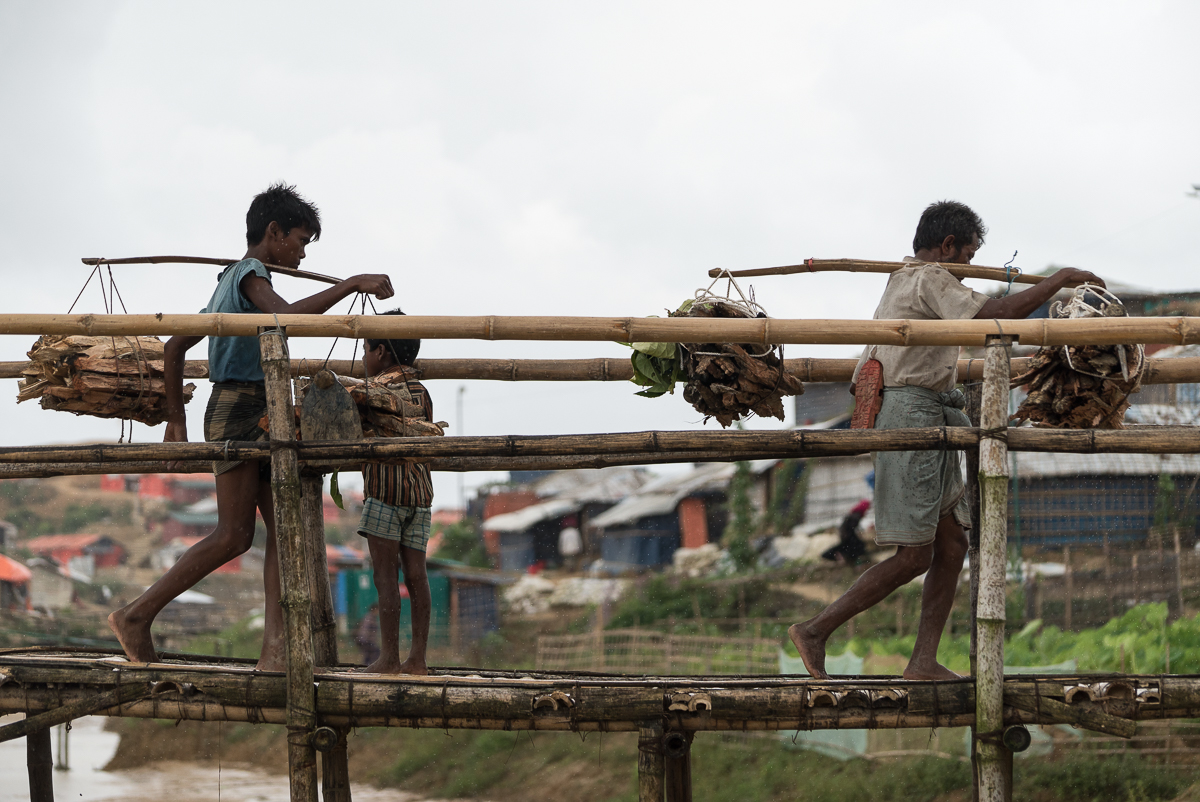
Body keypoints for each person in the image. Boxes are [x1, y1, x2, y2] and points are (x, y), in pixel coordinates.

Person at [789, 200, 1103, 680]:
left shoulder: (904, 278)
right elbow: (996, 315)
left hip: (924, 409)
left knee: (952, 544)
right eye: (970, 256)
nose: (970, 268)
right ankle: (815, 630)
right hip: (909, 413)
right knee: (915, 555)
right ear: (949, 245)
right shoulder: (930, 277)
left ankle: (921, 662)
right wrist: (1059, 278)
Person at [108, 183, 395, 668]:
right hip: (239, 410)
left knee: (284, 534)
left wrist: (178, 420)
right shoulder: (247, 274)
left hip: (264, 410)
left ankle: (274, 654)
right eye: (300, 240)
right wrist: (349, 284)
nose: (302, 253)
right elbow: (283, 317)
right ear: (274, 231)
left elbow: (177, 343)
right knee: (233, 535)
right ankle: (136, 615)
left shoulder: (229, 282)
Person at [354, 310, 433, 675]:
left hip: (385, 492)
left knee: (386, 579)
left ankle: (387, 658)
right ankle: (416, 658)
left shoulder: (373, 392)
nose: (364, 358)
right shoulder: (422, 391)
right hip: (419, 495)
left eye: (366, 349)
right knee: (417, 577)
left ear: (381, 351)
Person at [821, 500, 870, 565]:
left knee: (846, 547)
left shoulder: (854, 514)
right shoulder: (856, 516)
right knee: (857, 547)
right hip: (847, 536)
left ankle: (842, 556)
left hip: (845, 535)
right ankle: (852, 561)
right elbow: (851, 528)